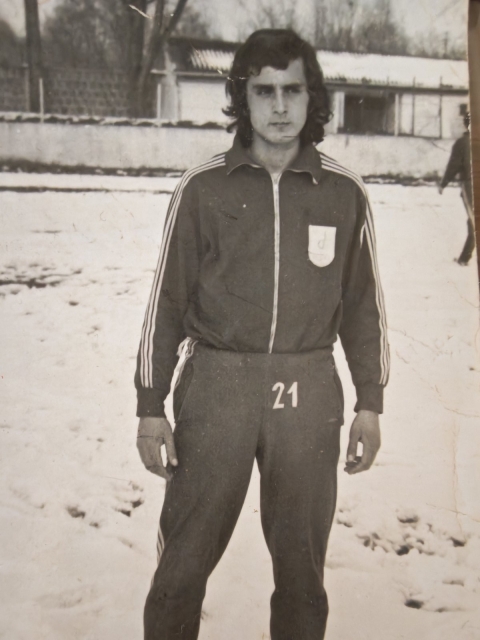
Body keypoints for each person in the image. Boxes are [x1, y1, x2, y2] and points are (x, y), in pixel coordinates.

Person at [135, 29, 389, 640]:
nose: (279, 107)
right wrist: (150, 406)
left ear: (312, 97)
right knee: (181, 567)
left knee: (302, 576)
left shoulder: (344, 192)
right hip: (217, 385)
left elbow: (364, 308)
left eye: (292, 91)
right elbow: (165, 303)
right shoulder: (203, 188)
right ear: (241, 98)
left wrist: (370, 403)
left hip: (307, 389)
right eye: (264, 91)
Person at [439, 113, 475, 266]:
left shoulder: (462, 143)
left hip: (470, 186)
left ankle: (464, 258)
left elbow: (453, 166)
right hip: (470, 184)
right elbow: (454, 165)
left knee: (473, 221)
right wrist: (444, 183)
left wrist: (443, 183)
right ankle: (464, 258)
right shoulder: (463, 143)